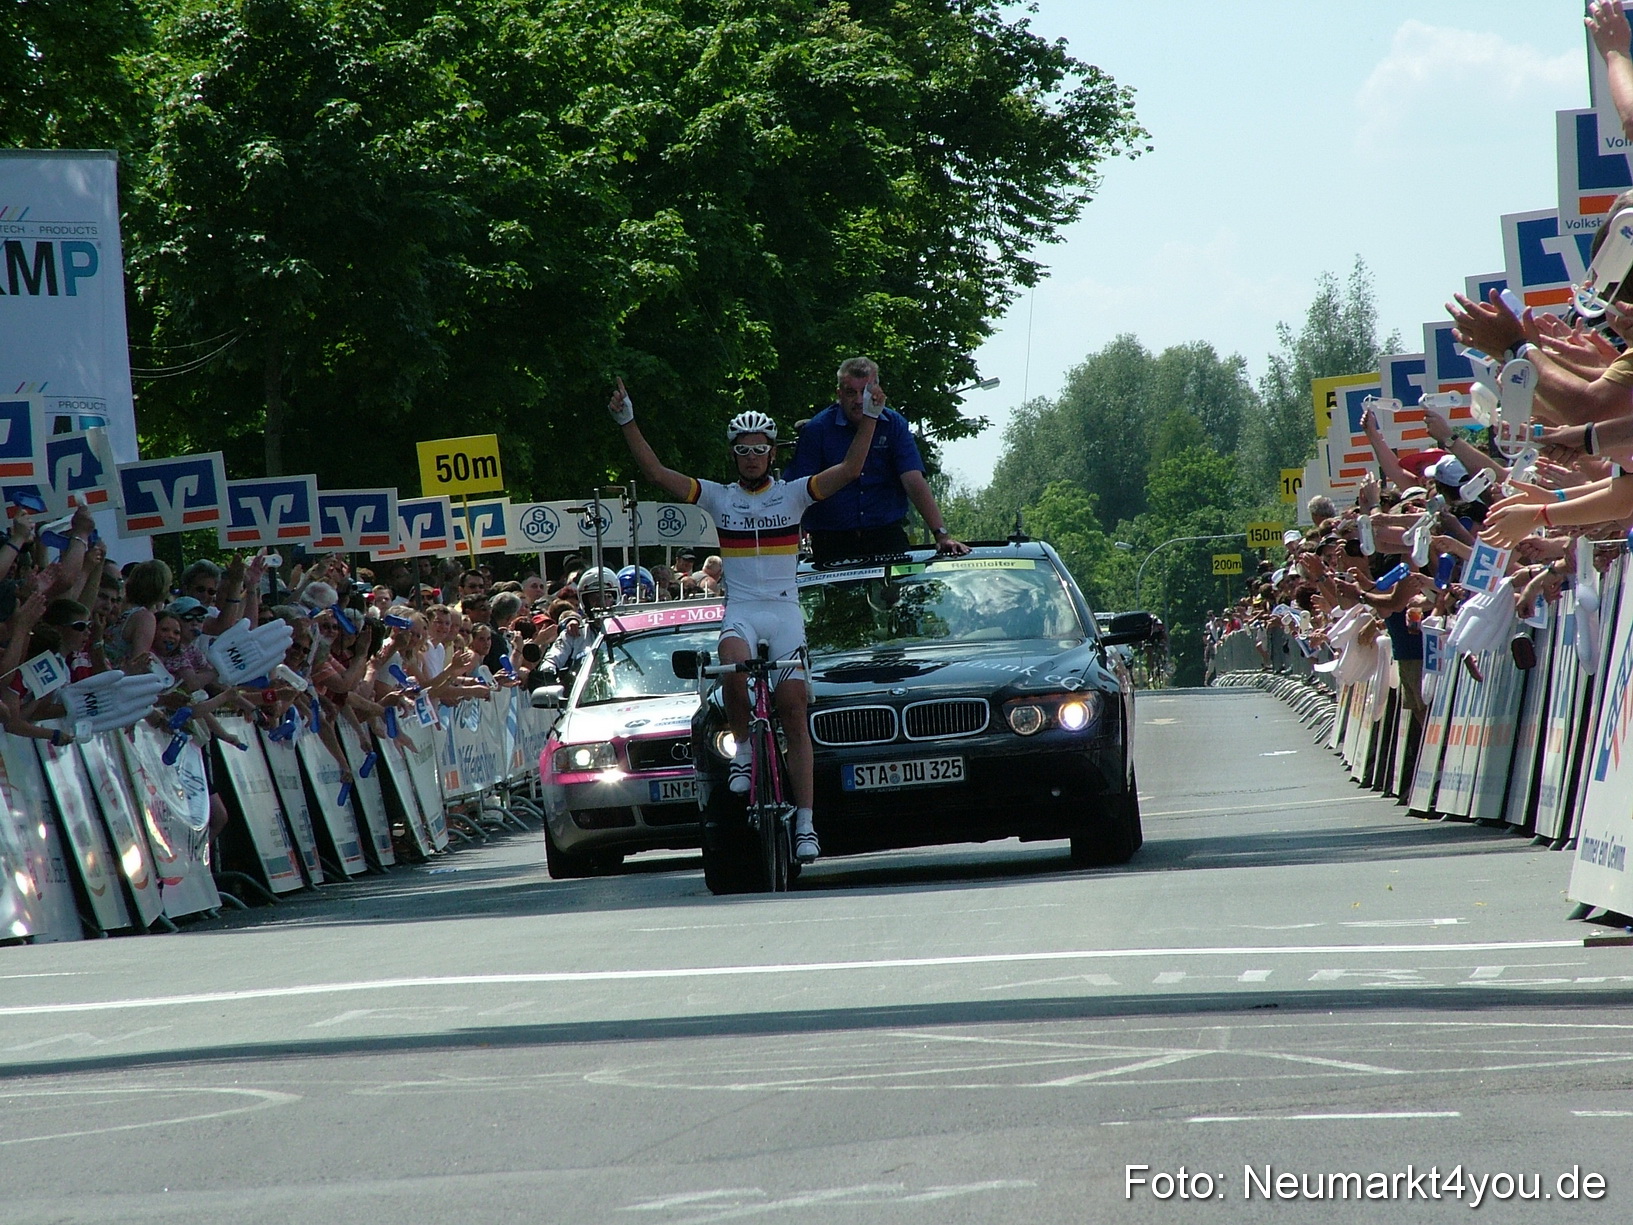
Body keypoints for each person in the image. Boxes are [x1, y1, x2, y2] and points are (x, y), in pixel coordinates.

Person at [610, 374, 879, 863]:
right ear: (733, 454)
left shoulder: (795, 493)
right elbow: (655, 472)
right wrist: (627, 419)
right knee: (729, 663)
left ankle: (805, 823)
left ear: (772, 453)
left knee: (794, 707)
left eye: (760, 449)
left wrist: (873, 417)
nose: (752, 457)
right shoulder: (718, 497)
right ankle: (745, 750)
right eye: (743, 450)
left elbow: (852, 468)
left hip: (783, 610)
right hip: (743, 609)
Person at [784, 356, 970, 563]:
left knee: (897, 593)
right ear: (839, 395)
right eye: (850, 393)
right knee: (841, 595)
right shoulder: (816, 430)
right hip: (832, 540)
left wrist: (941, 535)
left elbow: (913, 480)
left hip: (886, 535)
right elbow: (797, 492)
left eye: (865, 393)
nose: (858, 400)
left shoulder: (894, 424)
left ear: (878, 392)